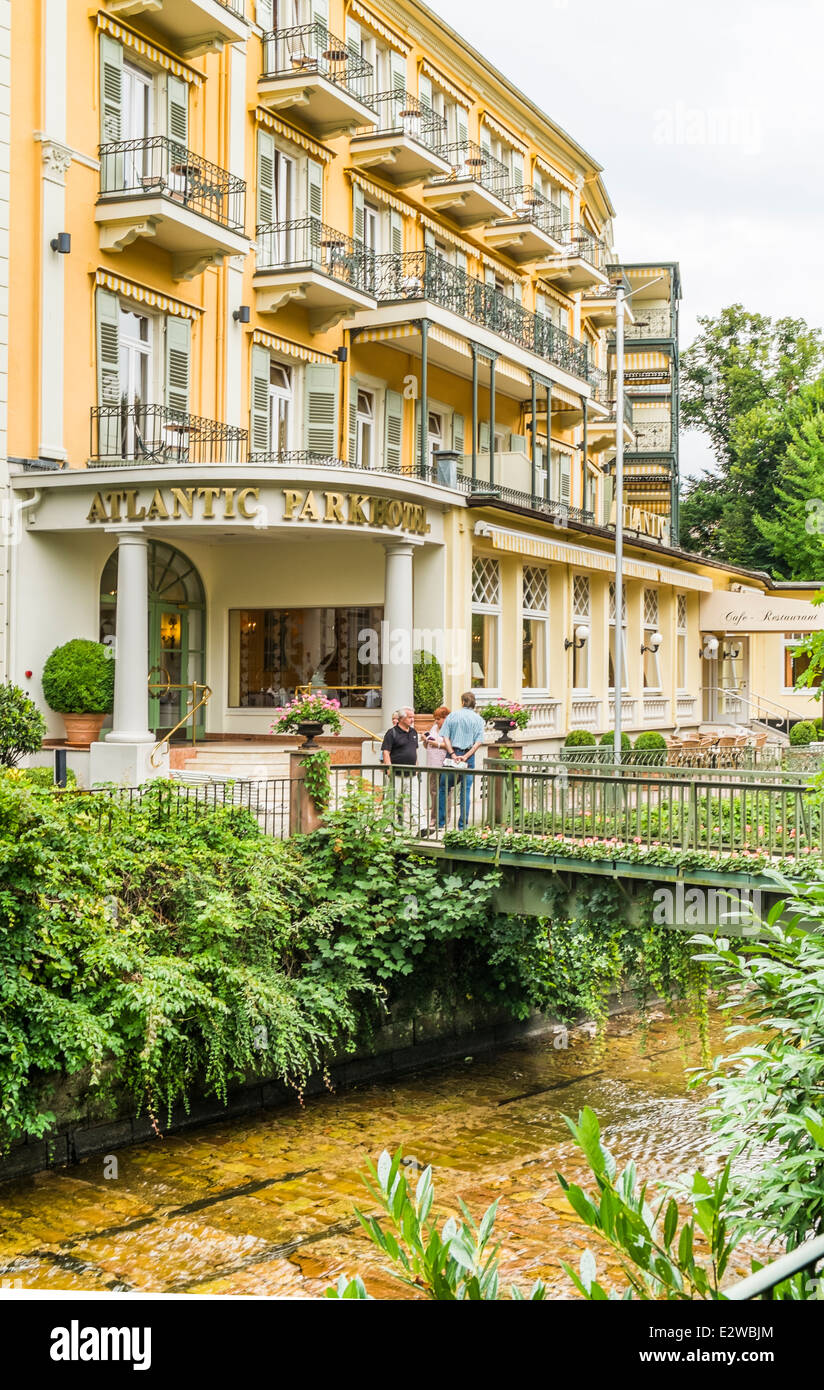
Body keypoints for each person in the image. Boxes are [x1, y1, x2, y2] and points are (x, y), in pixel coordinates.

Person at [438, 692, 486, 829]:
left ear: (463, 702)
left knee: (444, 787)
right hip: (468, 756)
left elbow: (445, 737)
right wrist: (466, 756)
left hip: (452, 753)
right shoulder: (478, 719)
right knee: (465, 790)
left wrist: (453, 754)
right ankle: (462, 825)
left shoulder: (453, 716)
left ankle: (441, 823)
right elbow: (478, 742)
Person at [381, 706, 428, 834]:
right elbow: (386, 751)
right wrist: (389, 767)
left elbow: (414, 752)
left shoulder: (413, 733)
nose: (412, 719)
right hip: (396, 773)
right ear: (401, 718)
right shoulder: (392, 733)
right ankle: (387, 827)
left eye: (413, 717)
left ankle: (422, 827)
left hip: (411, 773)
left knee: (415, 800)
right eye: (410, 717)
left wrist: (417, 766)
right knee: (392, 800)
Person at [423, 705, 450, 826]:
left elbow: (450, 745)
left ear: (445, 718)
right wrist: (426, 740)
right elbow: (427, 745)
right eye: (436, 718)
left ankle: (444, 817)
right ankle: (433, 817)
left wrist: (437, 744)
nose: (436, 721)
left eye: (438, 719)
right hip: (432, 764)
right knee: (433, 791)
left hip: (443, 763)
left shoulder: (449, 729)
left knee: (445, 791)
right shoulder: (434, 727)